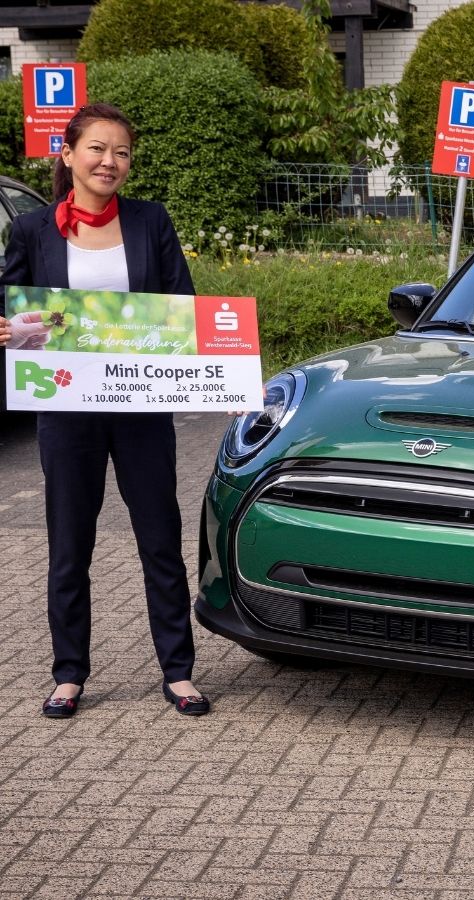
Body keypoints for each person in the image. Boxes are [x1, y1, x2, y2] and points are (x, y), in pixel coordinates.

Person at [0, 103, 210, 719]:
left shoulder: (151, 222)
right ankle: (68, 673)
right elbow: (15, 308)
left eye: (121, 151)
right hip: (66, 410)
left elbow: (183, 306)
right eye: (96, 148)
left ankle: (178, 671)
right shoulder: (34, 229)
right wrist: (8, 330)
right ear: (67, 155)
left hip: (141, 406)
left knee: (160, 539)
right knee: (70, 543)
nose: (109, 161)